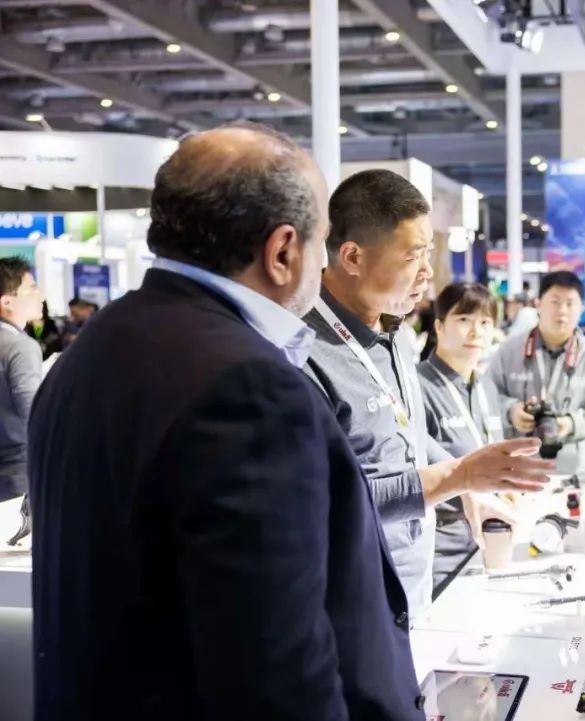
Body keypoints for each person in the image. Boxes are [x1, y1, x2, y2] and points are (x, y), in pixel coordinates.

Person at [28, 122, 426, 720]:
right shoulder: (249, 387)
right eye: (321, 242)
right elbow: (275, 675)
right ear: (284, 251)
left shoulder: (89, 350)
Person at [304, 169, 553, 619]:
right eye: (413, 256)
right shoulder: (303, 354)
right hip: (352, 603)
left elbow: (408, 434)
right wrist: (456, 476)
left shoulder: (395, 330)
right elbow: (326, 502)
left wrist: (468, 486)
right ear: (353, 256)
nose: (427, 272)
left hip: (414, 589)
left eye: (428, 253)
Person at [417, 282, 515, 595]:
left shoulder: (485, 387)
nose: (476, 332)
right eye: (464, 320)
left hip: (489, 544)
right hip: (440, 555)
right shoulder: (417, 387)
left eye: (485, 322)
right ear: (439, 326)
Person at [487, 271, 585, 473]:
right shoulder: (510, 351)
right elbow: (485, 397)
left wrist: (572, 423)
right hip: (515, 467)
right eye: (555, 302)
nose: (562, 311)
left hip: (573, 469)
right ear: (538, 304)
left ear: (581, 309)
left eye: (570, 303)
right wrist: (511, 411)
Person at [0, 258, 43, 504]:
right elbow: (34, 412)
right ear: (7, 301)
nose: (40, 296)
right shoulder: (19, 346)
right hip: (16, 475)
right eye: (32, 288)